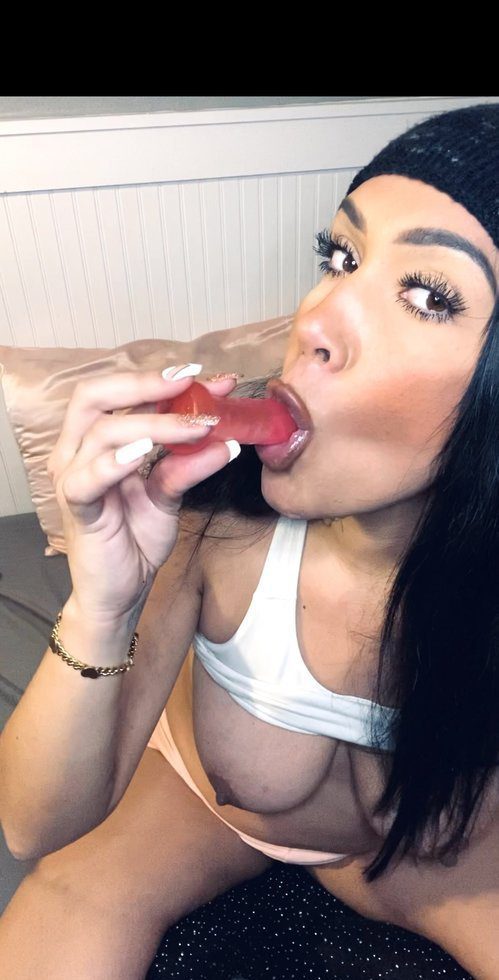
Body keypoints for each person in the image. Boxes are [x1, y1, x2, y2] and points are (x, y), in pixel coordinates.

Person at [0, 101, 498, 980]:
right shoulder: (212, 524)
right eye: (339, 257)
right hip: (207, 817)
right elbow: (29, 826)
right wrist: (102, 606)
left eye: (428, 296)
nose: (315, 320)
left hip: (449, 877)